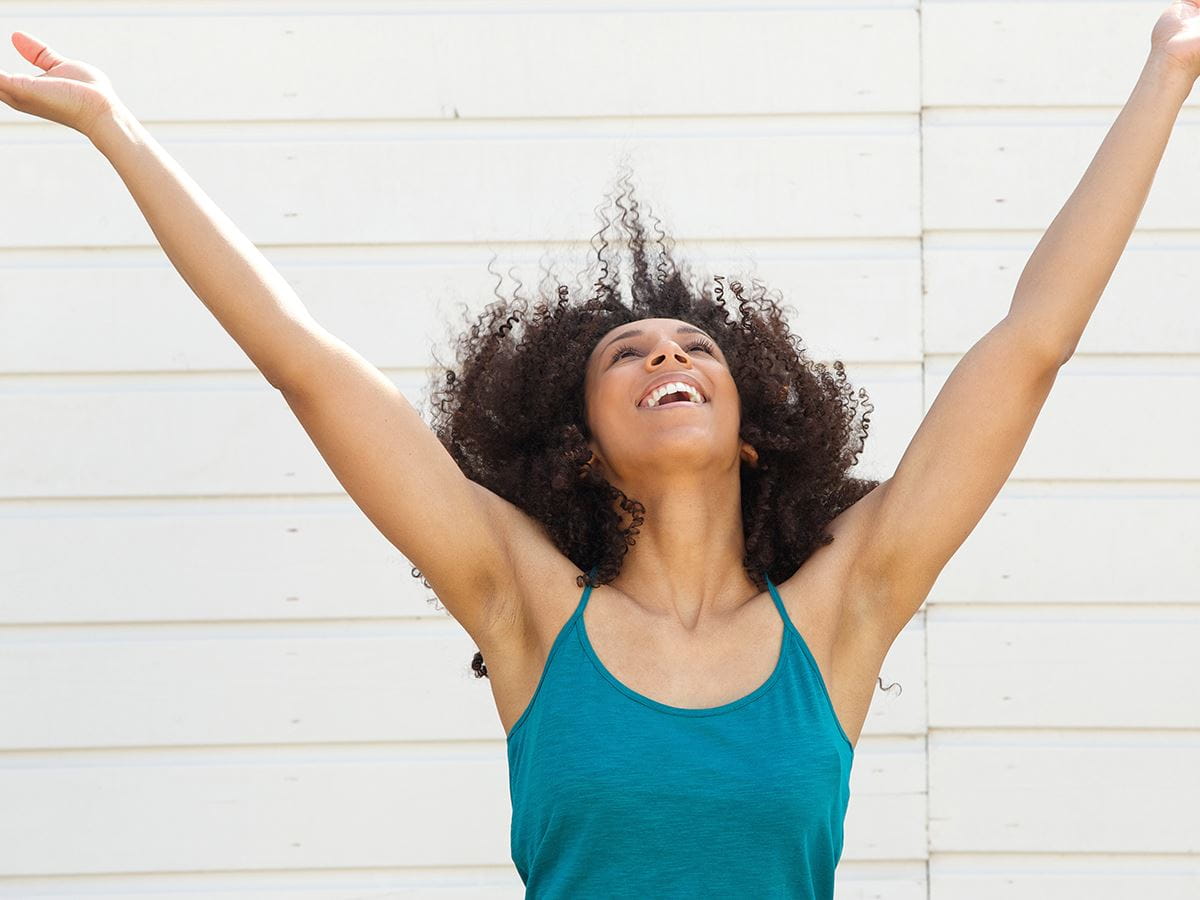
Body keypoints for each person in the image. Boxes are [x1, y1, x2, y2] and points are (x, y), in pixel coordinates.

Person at [2, 5, 1195, 894]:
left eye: (696, 350)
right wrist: (118, 130)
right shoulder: (525, 609)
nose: (668, 359)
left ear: (754, 428)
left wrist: (1170, 69)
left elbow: (1032, 346)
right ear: (577, 439)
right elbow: (304, 365)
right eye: (627, 355)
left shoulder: (841, 612)